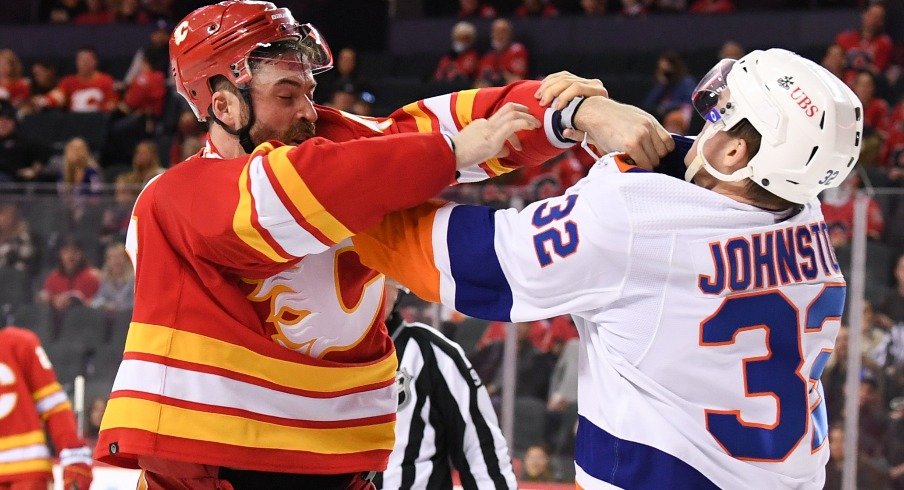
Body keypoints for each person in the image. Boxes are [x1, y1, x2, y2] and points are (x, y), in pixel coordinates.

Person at [95, 2, 671, 488]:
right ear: (223, 106)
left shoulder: (342, 145)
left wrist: (577, 111)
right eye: (287, 93)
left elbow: (460, 118)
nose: (307, 110)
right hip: (218, 463)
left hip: (343, 463)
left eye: (310, 90)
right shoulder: (169, 199)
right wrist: (449, 153)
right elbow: (287, 194)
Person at [351, 48, 864, 488]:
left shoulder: (634, 221)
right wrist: (605, 118)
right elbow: (690, 192)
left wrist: (326, 197)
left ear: (733, 150)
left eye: (721, 113)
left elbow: (459, 262)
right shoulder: (804, 212)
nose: (706, 117)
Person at [375, 283, 516, 489]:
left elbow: (481, 451)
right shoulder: (314, 355)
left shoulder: (432, 353)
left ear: (398, 290)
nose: (369, 291)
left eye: (381, 280)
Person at [0, 325, 93, 490]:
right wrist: (75, 460)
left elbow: (53, 406)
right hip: (27, 471)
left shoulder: (19, 343)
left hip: (26, 474)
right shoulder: (21, 342)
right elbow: (54, 407)